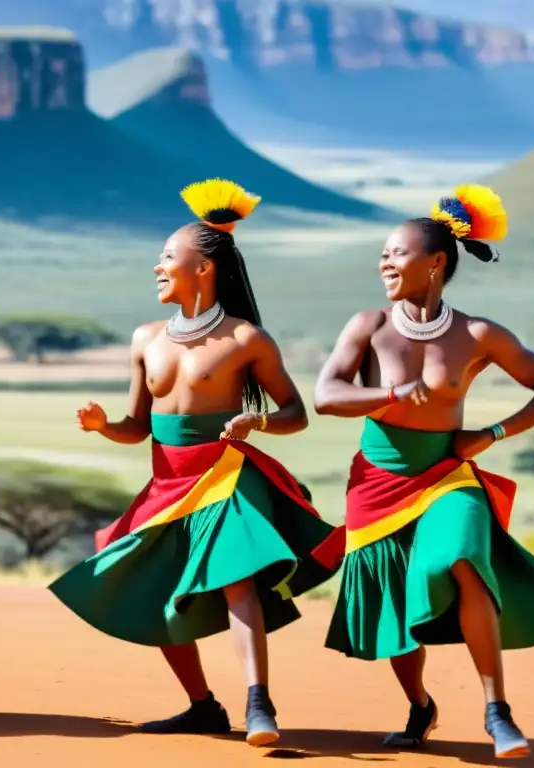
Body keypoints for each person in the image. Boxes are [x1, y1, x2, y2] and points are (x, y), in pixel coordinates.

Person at [48, 179, 339, 748]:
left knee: (236, 582)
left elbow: (295, 413)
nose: (156, 267)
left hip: (226, 476)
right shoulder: (146, 338)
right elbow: (138, 428)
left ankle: (260, 705)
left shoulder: (247, 339)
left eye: (166, 257)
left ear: (203, 268)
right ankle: (203, 706)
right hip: (168, 483)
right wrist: (105, 426)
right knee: (153, 590)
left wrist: (257, 423)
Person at [311, 184, 534, 760]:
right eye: (382, 253)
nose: (384, 261)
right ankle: (420, 705)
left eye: (397, 252)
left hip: (446, 476)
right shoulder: (368, 325)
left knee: (458, 558)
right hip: (377, 484)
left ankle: (498, 711)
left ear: (435, 262)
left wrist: (490, 435)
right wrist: (389, 392)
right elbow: (326, 395)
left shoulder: (479, 334)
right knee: (396, 599)